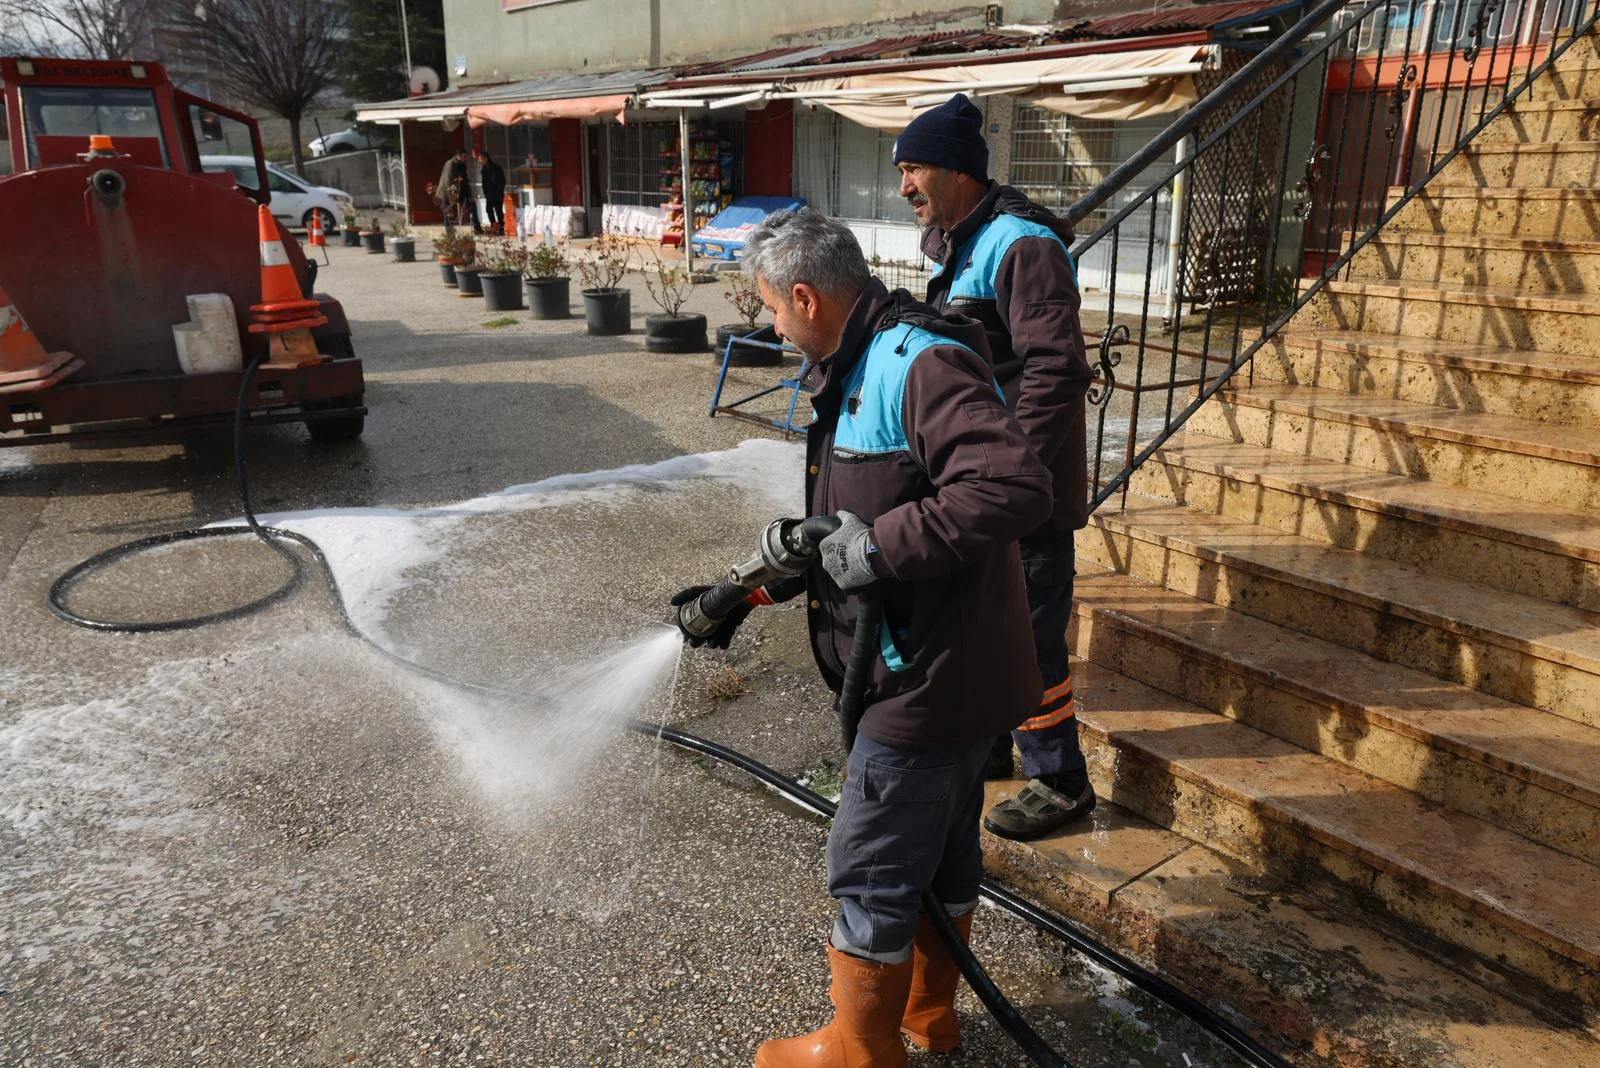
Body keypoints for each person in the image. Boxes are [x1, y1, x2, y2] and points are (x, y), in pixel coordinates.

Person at [672, 207, 1052, 1066]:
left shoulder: (916, 362)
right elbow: (880, 506)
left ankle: (857, 1051)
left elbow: (1011, 486)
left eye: (771, 306)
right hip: (958, 673)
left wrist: (876, 545)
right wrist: (770, 574)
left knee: (871, 868)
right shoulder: (867, 358)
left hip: (920, 683)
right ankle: (927, 1018)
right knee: (943, 853)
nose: (770, 323)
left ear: (806, 296)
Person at [893, 93, 1097, 842]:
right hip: (984, 489)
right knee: (993, 628)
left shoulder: (1020, 246)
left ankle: (1062, 781)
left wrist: (1008, 478)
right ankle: (1000, 747)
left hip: (1022, 497)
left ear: (956, 169)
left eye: (912, 167)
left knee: (1034, 637)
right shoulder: (960, 244)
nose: (904, 186)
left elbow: (1056, 371)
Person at [476, 149, 507, 234]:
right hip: (489, 194)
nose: (479, 160)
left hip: (497, 193)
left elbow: (502, 181)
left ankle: (501, 227)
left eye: (480, 159)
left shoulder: (496, 168)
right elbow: (484, 183)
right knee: (488, 209)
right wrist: (485, 192)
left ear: (486, 158)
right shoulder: (483, 170)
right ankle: (494, 225)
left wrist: (500, 191)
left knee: (498, 211)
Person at [436, 149, 465, 232]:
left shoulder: (456, 163)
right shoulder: (451, 164)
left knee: (449, 213)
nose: (464, 159)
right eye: (463, 156)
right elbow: (448, 181)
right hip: (446, 192)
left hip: (449, 191)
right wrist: (451, 196)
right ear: (458, 155)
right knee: (448, 213)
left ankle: (450, 230)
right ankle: (449, 232)